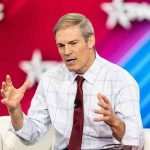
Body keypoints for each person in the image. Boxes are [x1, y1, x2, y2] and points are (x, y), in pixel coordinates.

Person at [1, 13, 144, 150]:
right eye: (61, 45)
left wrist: (114, 122)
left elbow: (136, 144)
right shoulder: (50, 80)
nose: (66, 52)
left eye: (73, 43)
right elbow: (31, 136)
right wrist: (15, 110)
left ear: (90, 41)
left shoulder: (121, 80)